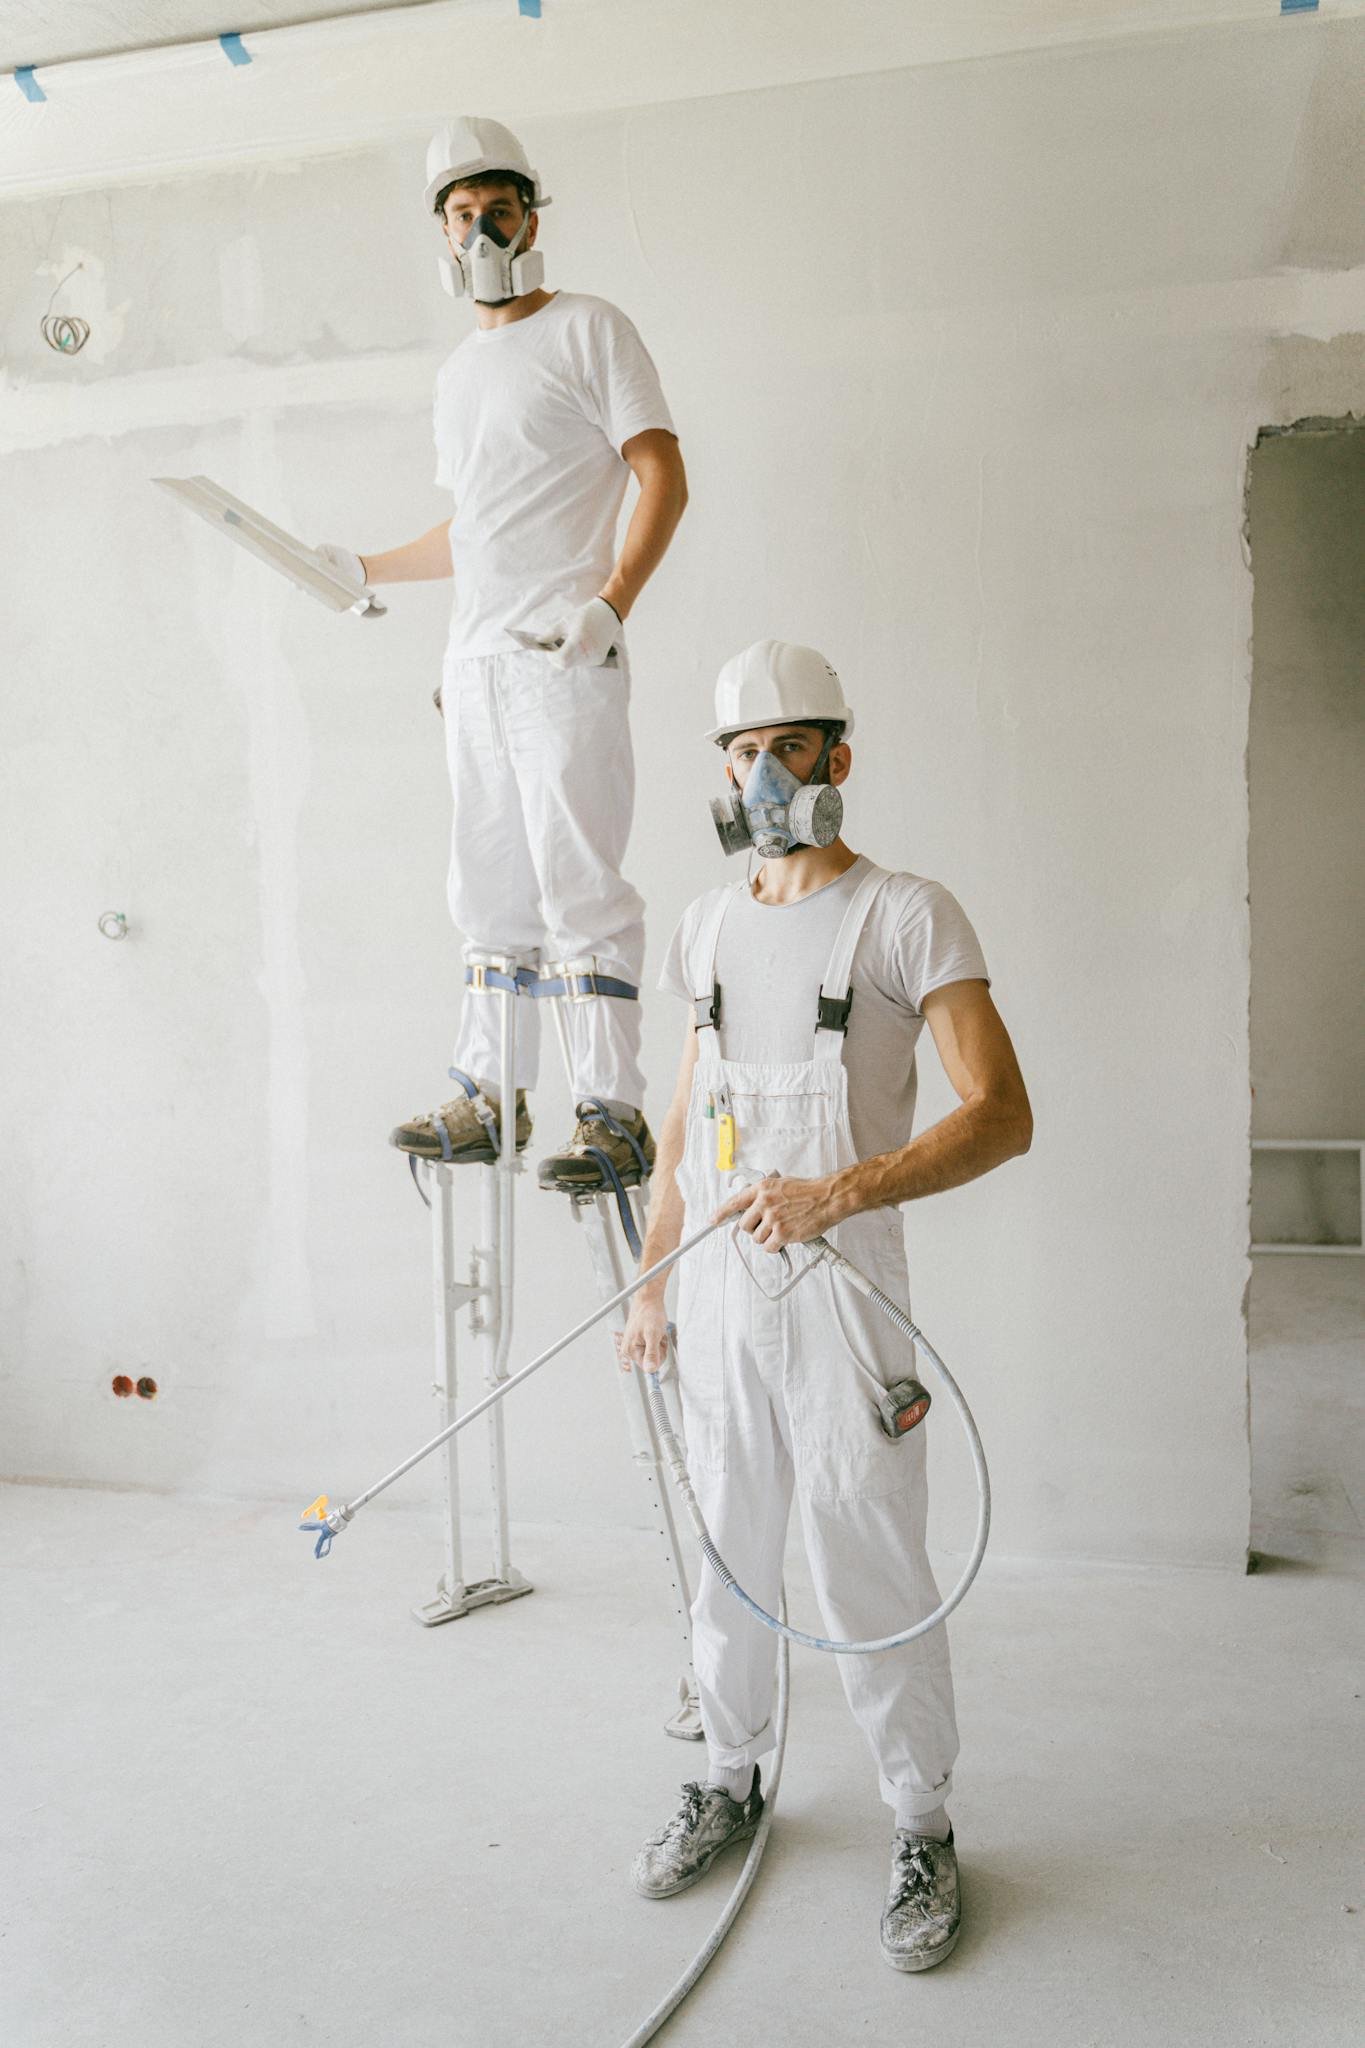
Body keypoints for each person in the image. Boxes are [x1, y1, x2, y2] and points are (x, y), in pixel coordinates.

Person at [617, 640, 1033, 1972]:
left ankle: (920, 1823)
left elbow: (1002, 1116)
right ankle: (729, 1781)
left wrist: (845, 1191)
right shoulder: (704, 923)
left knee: (867, 1565)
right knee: (730, 1553)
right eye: (739, 751)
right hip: (722, 1293)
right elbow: (686, 1117)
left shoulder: (908, 917)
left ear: (836, 760)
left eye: (785, 747)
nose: (760, 772)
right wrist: (652, 1274)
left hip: (846, 1294)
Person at [318, 116, 687, 1192]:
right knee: (486, 895)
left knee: (581, 888)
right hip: (475, 667)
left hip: (562, 651)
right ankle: (489, 1096)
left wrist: (611, 604)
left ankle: (611, 1114)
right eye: (461, 216)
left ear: (532, 214)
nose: (481, 230)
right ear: (442, 234)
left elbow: (661, 475)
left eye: (499, 209)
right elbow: (475, 528)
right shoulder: (457, 377)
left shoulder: (589, 330)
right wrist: (369, 566)